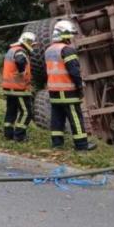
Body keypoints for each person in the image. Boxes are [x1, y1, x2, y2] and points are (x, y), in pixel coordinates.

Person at [45, 20, 96, 151]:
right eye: (69, 35)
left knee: (57, 118)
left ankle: (57, 144)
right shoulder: (67, 50)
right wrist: (80, 87)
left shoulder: (49, 50)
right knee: (76, 118)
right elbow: (74, 71)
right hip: (68, 90)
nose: (70, 38)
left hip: (53, 90)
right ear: (63, 35)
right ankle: (82, 145)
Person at [1, 32, 36, 141]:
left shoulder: (12, 50)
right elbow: (20, 61)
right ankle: (20, 136)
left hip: (8, 87)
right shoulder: (20, 51)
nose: (33, 46)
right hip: (18, 87)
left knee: (11, 111)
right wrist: (22, 72)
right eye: (32, 43)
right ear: (28, 42)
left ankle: (8, 134)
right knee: (27, 112)